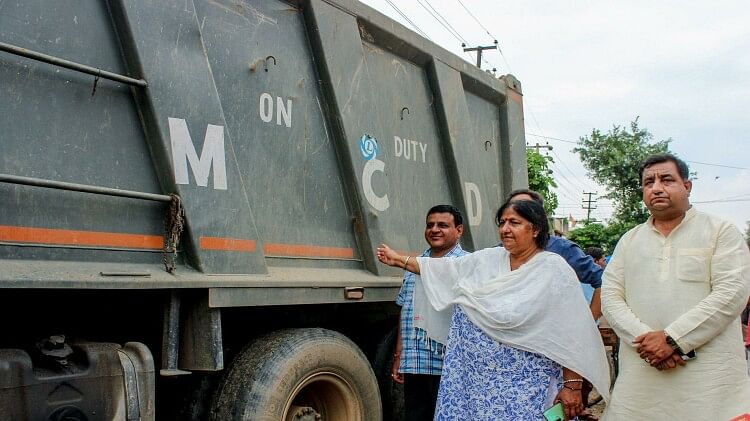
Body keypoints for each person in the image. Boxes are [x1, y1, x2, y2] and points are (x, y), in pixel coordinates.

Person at [378, 200, 610, 420]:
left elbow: (571, 331)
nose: (506, 229)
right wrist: (398, 259)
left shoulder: (553, 270)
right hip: (475, 389)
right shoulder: (487, 260)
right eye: (502, 223)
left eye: (514, 223)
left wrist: (572, 386)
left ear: (536, 229)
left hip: (530, 388)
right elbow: (442, 269)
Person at [601, 153, 750, 420]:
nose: (656, 188)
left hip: (708, 384)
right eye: (648, 182)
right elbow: (611, 299)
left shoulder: (719, 231)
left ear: (687, 186)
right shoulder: (629, 240)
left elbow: (732, 294)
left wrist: (674, 339)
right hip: (641, 379)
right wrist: (648, 343)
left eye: (666, 179)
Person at [391, 205, 467, 421]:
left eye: (443, 225)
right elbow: (405, 311)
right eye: (430, 225)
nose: (434, 230)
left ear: (459, 230)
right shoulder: (414, 265)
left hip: (451, 363)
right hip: (416, 361)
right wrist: (399, 355)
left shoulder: (466, 264)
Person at [506, 189, 604, 321]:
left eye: (525, 208)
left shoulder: (562, 249)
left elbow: (604, 281)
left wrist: (589, 323)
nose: (517, 211)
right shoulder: (498, 253)